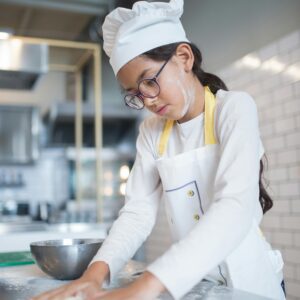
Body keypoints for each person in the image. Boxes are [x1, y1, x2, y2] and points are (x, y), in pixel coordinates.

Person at [33, 1, 286, 299]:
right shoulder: (152, 132)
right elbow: (137, 213)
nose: (149, 100)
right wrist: (94, 276)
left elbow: (235, 207)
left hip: (252, 284)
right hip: (197, 286)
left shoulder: (234, 109)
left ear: (184, 57)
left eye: (149, 81)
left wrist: (146, 286)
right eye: (136, 95)